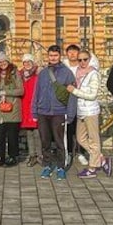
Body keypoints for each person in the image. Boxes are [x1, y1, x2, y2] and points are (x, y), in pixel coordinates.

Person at [31, 44, 77, 181]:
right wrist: (34, 110)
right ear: (48, 56)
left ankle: (61, 167)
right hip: (43, 111)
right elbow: (36, 92)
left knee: (59, 142)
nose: (53, 58)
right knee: (45, 141)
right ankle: (47, 165)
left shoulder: (67, 73)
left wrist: (70, 114)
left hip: (59, 112)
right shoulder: (43, 73)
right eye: (51, 56)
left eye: (55, 55)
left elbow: (72, 94)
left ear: (60, 56)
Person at [69, 50, 112, 178]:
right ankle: (101, 158)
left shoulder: (93, 74)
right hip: (81, 110)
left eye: (85, 59)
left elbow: (92, 95)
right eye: (80, 60)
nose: (82, 62)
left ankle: (92, 168)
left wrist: (74, 91)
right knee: (80, 138)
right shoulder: (78, 73)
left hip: (90, 111)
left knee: (94, 139)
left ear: (90, 60)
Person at [0, 51, 23, 167]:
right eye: (0, 62)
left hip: (13, 110)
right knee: (0, 136)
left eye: (4, 61)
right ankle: (1, 157)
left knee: (12, 136)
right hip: (1, 110)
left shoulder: (15, 73)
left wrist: (6, 92)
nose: (2, 64)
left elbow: (21, 91)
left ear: (8, 61)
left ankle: (13, 157)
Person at [64, 44, 88, 166]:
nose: (72, 54)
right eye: (70, 52)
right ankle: (68, 152)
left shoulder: (83, 68)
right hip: (67, 103)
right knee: (68, 129)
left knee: (82, 130)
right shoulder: (63, 67)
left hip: (81, 103)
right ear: (67, 54)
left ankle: (80, 153)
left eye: (75, 52)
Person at [19, 53, 42, 167]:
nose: (27, 64)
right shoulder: (20, 75)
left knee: (37, 133)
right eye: (25, 62)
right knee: (29, 133)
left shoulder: (38, 75)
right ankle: (32, 155)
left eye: (29, 62)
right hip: (24, 107)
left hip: (35, 106)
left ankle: (40, 155)